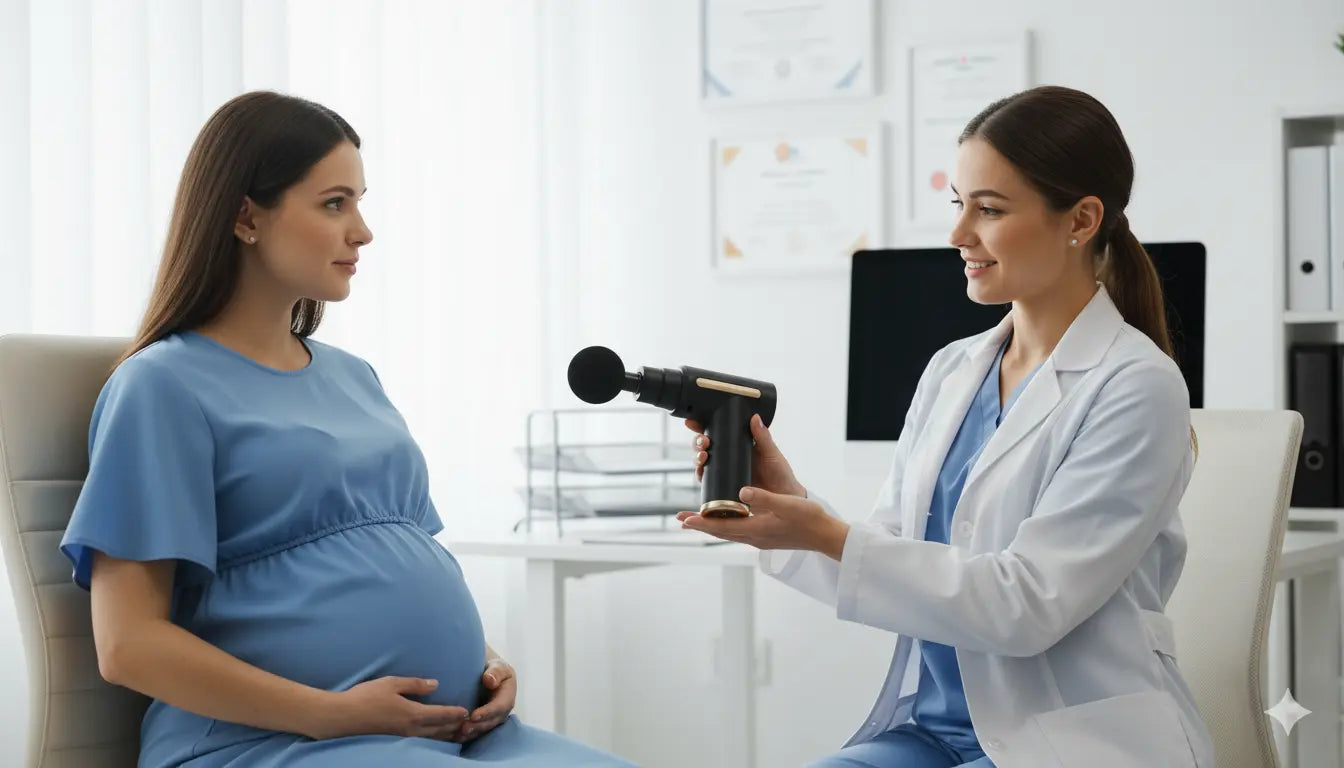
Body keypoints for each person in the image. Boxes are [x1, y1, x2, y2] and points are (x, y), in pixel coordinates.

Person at [59, 91, 635, 768]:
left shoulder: (354, 377)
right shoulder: (162, 387)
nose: (362, 232)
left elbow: (397, 559)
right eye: (334, 204)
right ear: (245, 216)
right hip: (269, 743)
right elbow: (127, 645)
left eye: (359, 202)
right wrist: (328, 714)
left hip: (451, 734)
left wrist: (485, 662)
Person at [680, 85, 1215, 768]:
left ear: (1081, 219)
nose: (959, 235)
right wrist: (790, 508)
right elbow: (891, 560)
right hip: (933, 733)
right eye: (958, 204)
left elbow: (1027, 607)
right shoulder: (953, 370)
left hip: (1067, 739)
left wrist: (826, 534)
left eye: (989, 209)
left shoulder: (1137, 386)